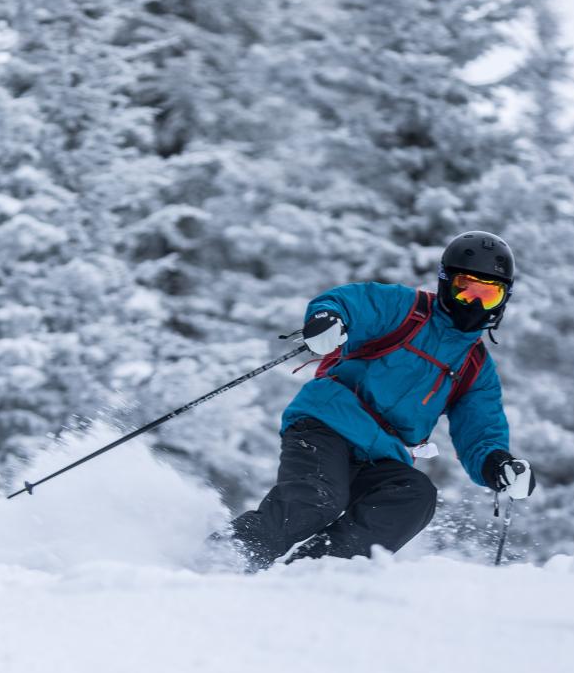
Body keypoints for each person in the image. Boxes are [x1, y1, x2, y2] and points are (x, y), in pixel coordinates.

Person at [225, 231, 535, 570]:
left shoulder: (474, 366)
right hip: (327, 423)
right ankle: (232, 553)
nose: (473, 303)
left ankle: (314, 569)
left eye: (488, 295)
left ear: (503, 300)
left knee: (414, 495)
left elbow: (481, 430)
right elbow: (353, 302)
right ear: (446, 281)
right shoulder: (407, 309)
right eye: (465, 288)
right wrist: (330, 319)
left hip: (383, 453)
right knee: (317, 498)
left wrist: (498, 464)